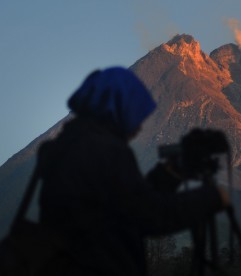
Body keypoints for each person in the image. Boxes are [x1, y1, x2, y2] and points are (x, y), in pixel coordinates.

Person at [36, 67, 228, 276]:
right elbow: (148, 216)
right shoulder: (106, 150)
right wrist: (210, 198)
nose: (138, 128)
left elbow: (121, 206)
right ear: (118, 107)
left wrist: (168, 174)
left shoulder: (66, 146)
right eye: (134, 116)